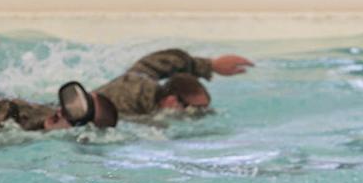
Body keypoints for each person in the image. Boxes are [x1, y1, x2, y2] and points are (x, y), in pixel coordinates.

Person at [94, 48, 254, 117]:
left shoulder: (144, 77)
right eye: (195, 111)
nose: (197, 116)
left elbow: (169, 60)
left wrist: (211, 65)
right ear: (171, 101)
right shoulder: (128, 99)